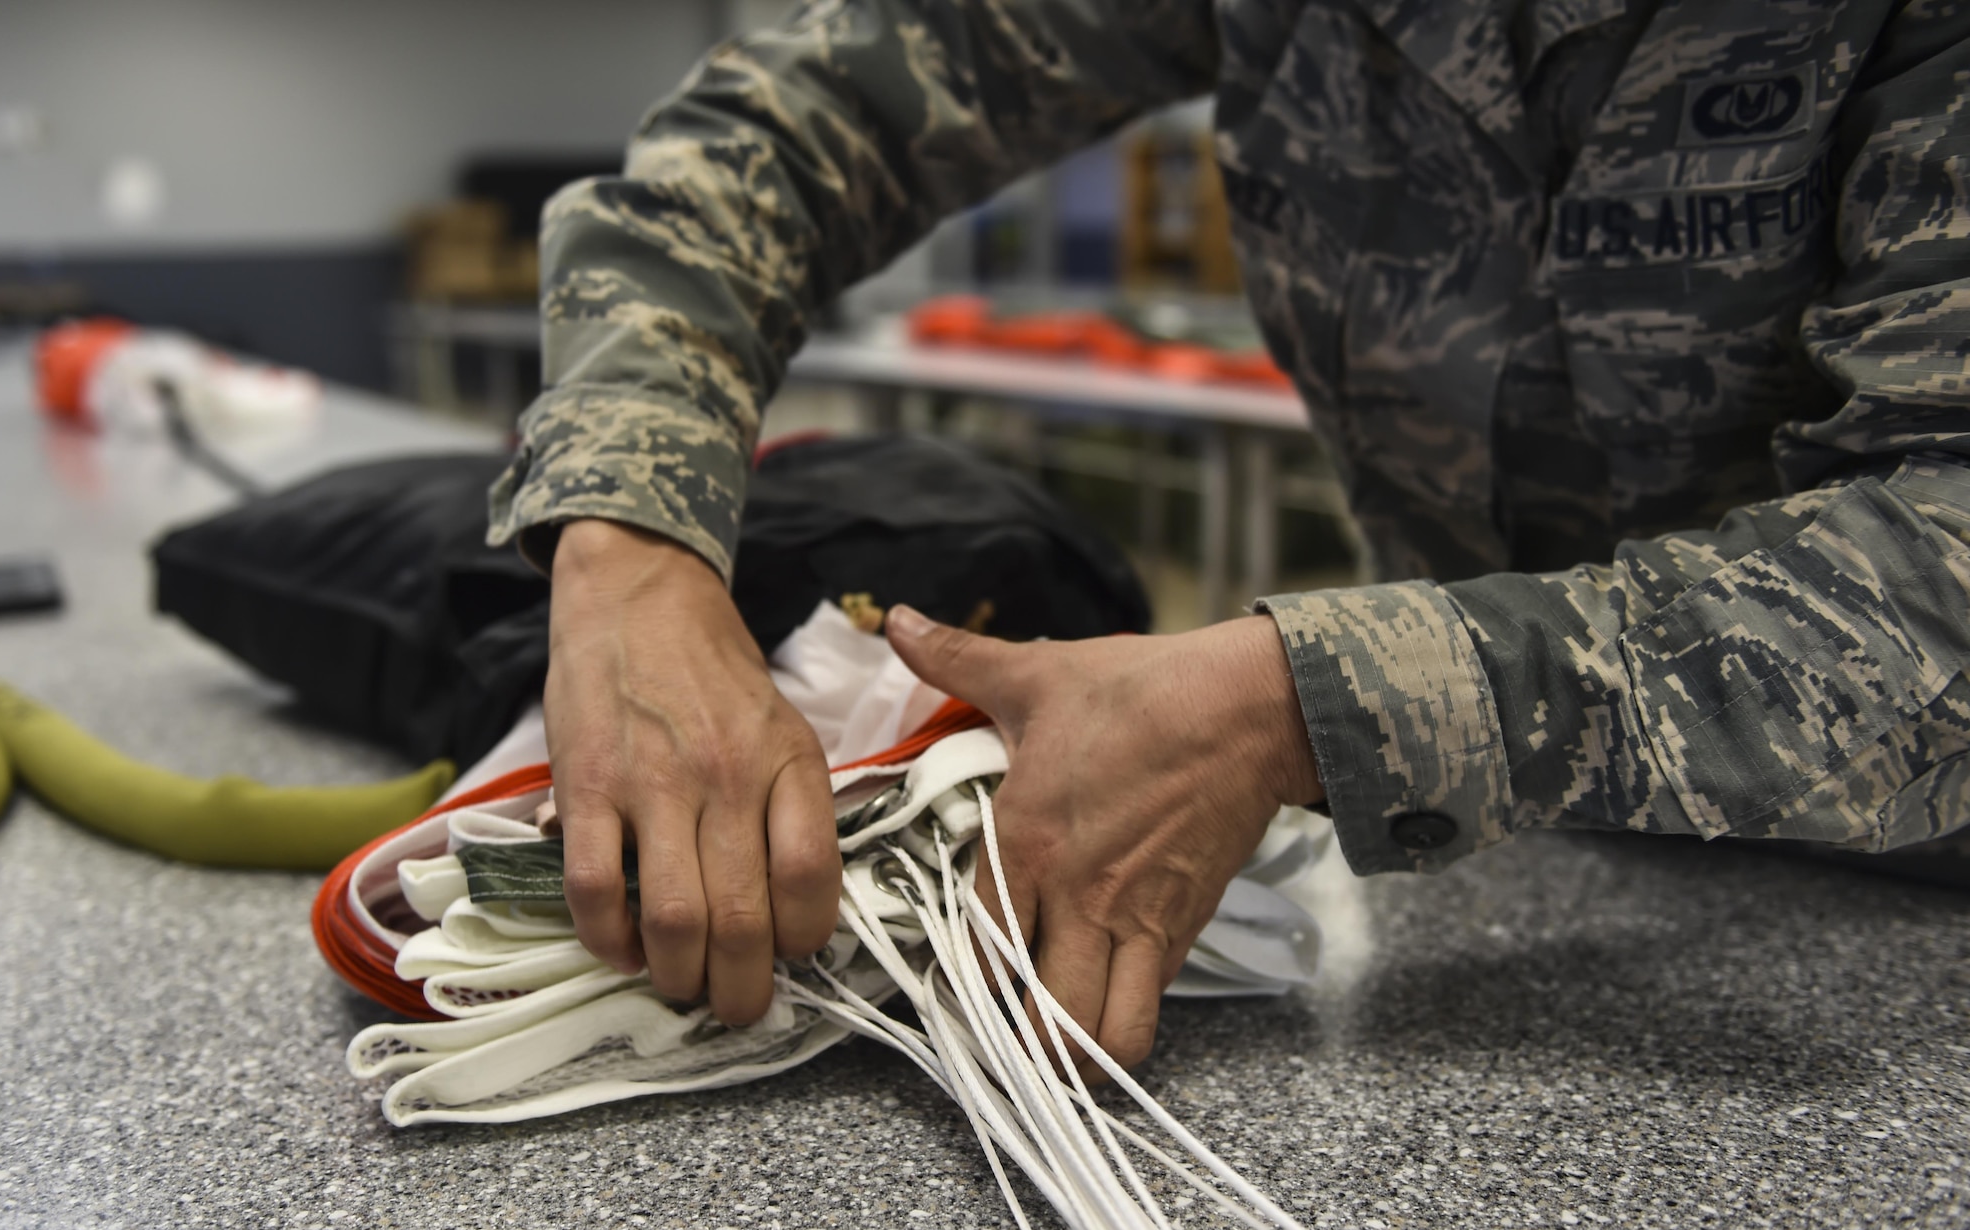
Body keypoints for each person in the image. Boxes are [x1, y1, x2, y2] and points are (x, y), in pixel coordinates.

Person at [488, 1, 1970, 1069]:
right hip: (1530, 878)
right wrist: (629, 534)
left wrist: (1296, 703)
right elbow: (789, 130)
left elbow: (1942, 570)